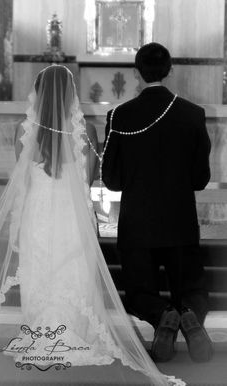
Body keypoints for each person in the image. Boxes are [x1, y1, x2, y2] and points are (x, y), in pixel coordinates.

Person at [0, 64, 183, 386]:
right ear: (70, 94)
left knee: (41, 267)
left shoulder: (24, 129)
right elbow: (90, 179)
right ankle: (74, 333)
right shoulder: (87, 132)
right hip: (71, 212)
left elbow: (21, 178)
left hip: (38, 212)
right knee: (72, 268)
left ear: (38, 93)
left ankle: (42, 334)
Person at [102, 43, 213, 363]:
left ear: (136, 73)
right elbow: (200, 179)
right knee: (191, 286)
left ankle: (163, 313)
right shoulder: (193, 114)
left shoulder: (119, 115)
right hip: (180, 221)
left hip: (137, 224)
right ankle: (187, 312)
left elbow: (112, 180)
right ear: (170, 70)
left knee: (138, 292)